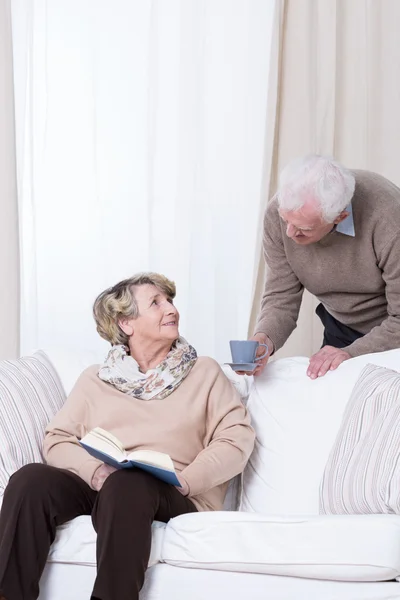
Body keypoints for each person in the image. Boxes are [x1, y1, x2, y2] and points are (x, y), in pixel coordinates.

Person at [0, 272, 255, 600]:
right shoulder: (97, 379)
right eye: (156, 303)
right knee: (29, 480)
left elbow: (236, 439)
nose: (171, 309)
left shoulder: (203, 372)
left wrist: (186, 480)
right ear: (126, 323)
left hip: (176, 493)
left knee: (129, 483)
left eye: (170, 301)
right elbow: (57, 438)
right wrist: (95, 473)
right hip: (109, 486)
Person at [250, 155, 400, 379]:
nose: (289, 233)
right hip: (341, 324)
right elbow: (281, 296)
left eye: (303, 229)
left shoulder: (388, 218)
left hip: (392, 329)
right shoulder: (279, 212)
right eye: (286, 221)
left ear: (340, 217)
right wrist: (264, 338)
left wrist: (353, 353)